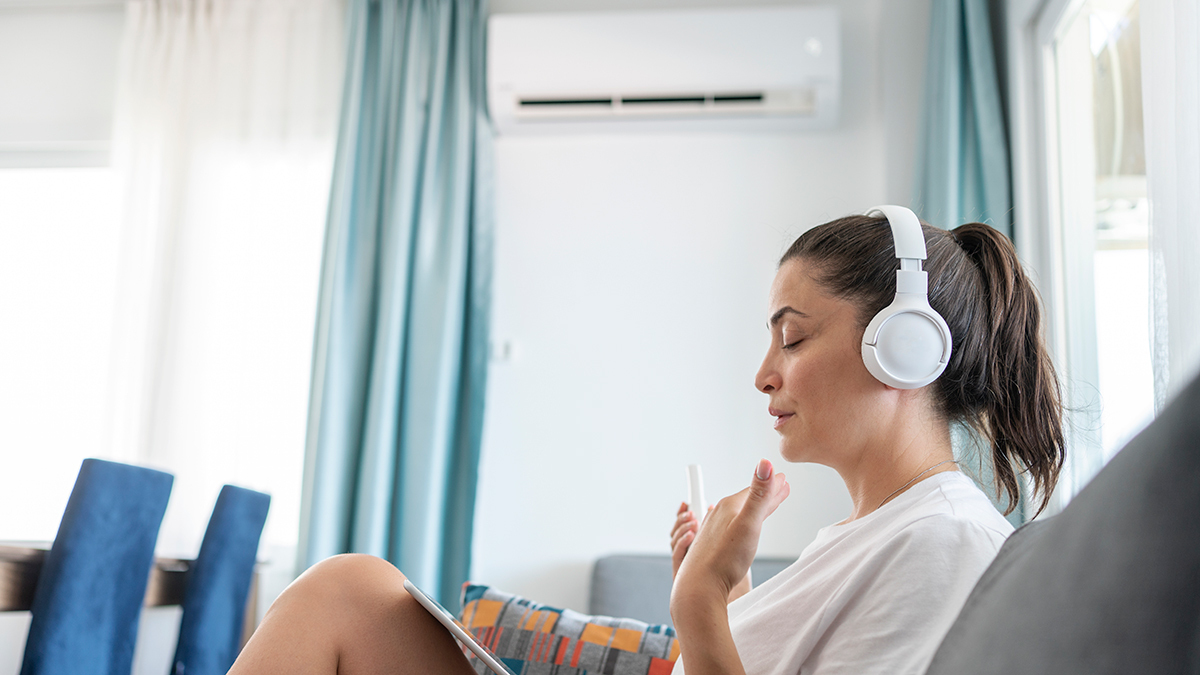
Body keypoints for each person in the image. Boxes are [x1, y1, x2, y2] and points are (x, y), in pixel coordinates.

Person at [227, 210, 1064, 675]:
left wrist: (698, 608)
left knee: (346, 593)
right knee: (356, 591)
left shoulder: (943, 540)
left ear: (903, 345)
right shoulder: (880, 532)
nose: (765, 374)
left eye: (794, 337)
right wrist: (722, 593)